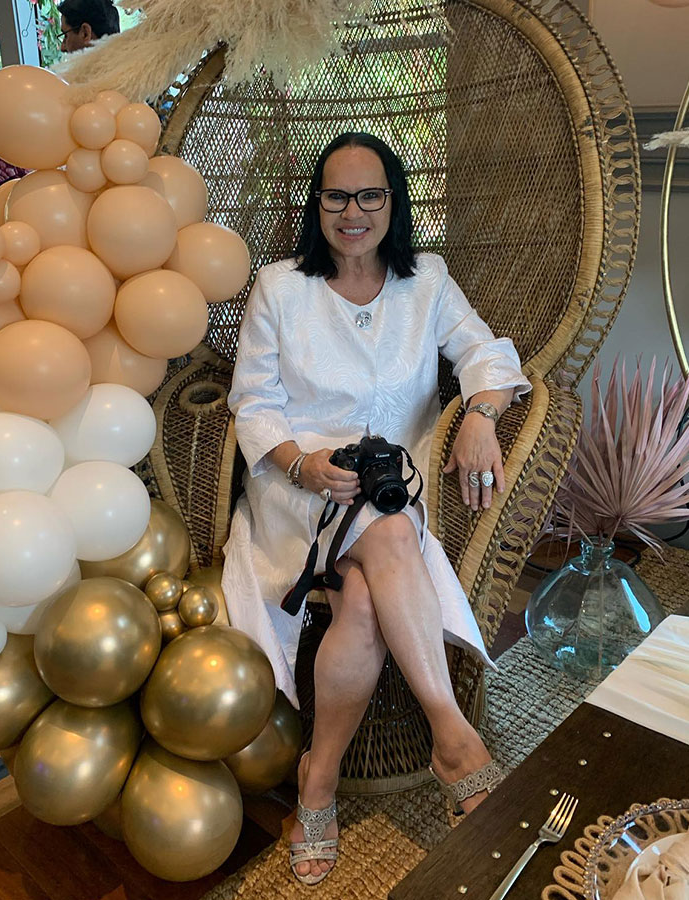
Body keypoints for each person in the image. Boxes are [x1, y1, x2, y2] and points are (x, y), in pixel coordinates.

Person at [222, 132, 531, 885]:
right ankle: (453, 737)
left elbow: (485, 354)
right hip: (298, 484)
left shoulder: (426, 282)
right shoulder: (279, 287)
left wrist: (483, 414)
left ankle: (316, 782)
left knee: (362, 591)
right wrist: (303, 464)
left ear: (393, 202)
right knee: (384, 536)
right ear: (316, 204)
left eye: (370, 195)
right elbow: (253, 402)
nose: (352, 211)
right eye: (336, 195)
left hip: (392, 480)